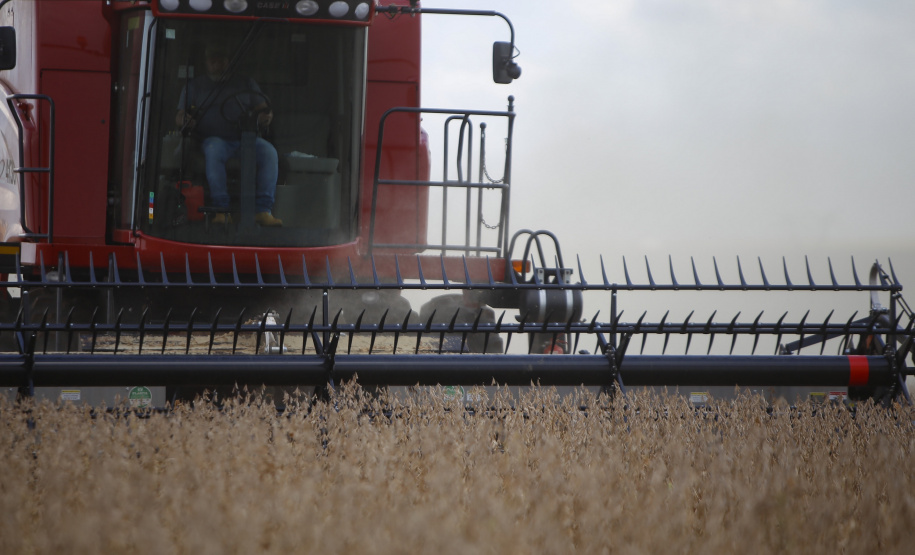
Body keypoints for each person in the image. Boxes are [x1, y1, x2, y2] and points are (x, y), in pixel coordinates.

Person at [175, 42, 282, 226]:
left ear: (229, 61)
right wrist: (185, 119)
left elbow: (262, 108)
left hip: (246, 140)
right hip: (212, 140)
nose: (217, 64)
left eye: (221, 60)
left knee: (269, 152)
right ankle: (221, 210)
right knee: (214, 150)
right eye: (212, 60)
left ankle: (263, 210)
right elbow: (179, 115)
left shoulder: (245, 83)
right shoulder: (195, 86)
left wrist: (266, 115)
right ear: (206, 62)